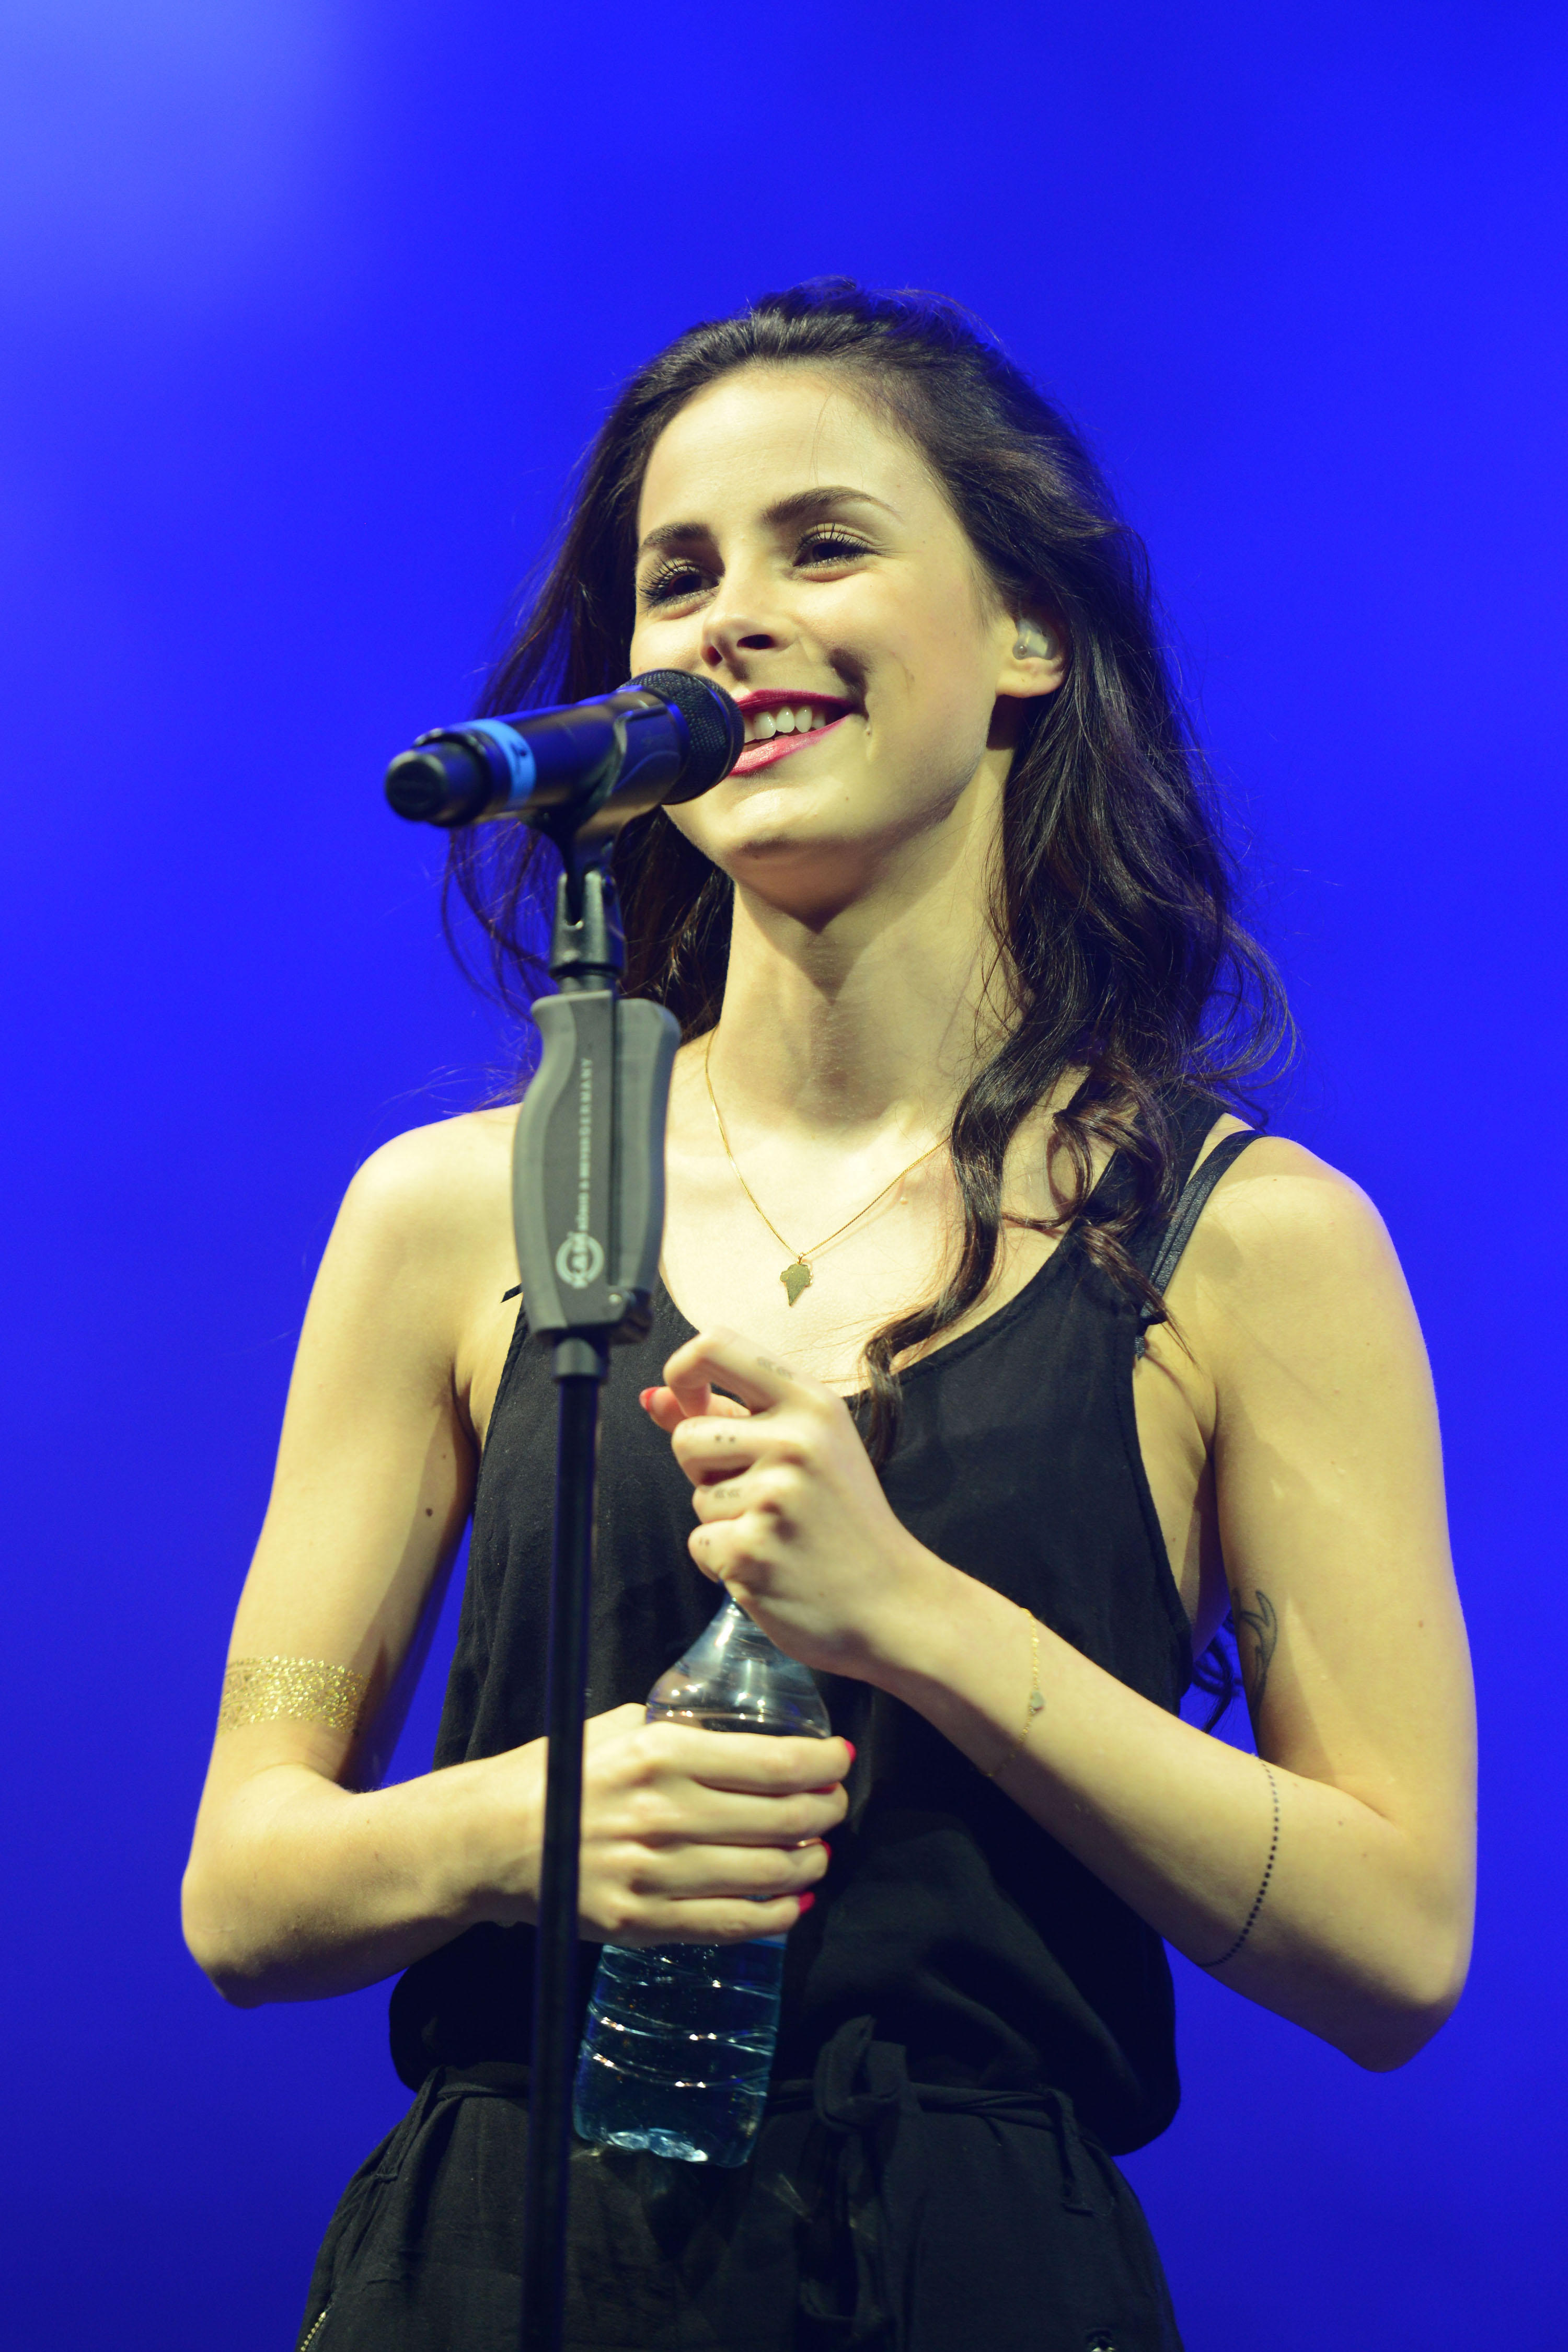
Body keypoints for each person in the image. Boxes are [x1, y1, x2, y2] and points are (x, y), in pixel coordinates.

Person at [181, 281, 1475, 2352]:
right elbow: (245, 1886)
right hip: (497, 2266)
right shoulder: (448, 1213)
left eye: (825, 544)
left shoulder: (1249, 1243)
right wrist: (539, 1822)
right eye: (677, 576)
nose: (733, 620)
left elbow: (1396, 1945)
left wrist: (915, 1618)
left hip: (975, 2270)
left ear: (1030, 633)